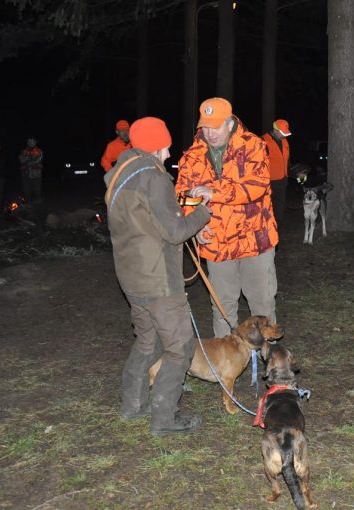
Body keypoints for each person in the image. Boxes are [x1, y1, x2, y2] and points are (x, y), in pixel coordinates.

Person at [105, 116, 212, 435]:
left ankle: (133, 405)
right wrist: (203, 212)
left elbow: (146, 218)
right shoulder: (154, 177)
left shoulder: (121, 175)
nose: (168, 154)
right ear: (156, 144)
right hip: (158, 280)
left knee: (147, 342)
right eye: (165, 147)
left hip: (131, 277)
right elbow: (175, 230)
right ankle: (165, 419)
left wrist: (179, 205)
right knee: (180, 346)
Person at [175, 97, 279, 338]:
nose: (209, 133)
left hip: (255, 240)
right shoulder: (192, 156)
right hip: (217, 243)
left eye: (216, 127)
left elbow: (257, 186)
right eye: (206, 127)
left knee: (262, 303)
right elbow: (182, 195)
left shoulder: (253, 145)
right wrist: (195, 225)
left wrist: (215, 192)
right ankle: (224, 366)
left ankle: (271, 363)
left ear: (230, 124)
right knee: (222, 307)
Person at [262, 119, 292, 226]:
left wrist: (290, 172)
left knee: (280, 206)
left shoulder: (284, 141)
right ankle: (268, 227)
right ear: (275, 130)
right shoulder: (264, 141)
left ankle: (278, 227)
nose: (285, 136)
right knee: (268, 206)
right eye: (283, 133)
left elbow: (287, 160)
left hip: (283, 179)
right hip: (269, 182)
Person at [18, 136, 44, 202]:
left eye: (32, 141)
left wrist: (28, 160)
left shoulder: (39, 151)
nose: (30, 143)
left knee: (37, 192)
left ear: (35, 142)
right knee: (26, 192)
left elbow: (38, 160)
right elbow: (21, 160)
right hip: (25, 175)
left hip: (36, 175)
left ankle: (38, 206)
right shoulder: (23, 151)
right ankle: (27, 207)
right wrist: (31, 159)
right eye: (29, 141)